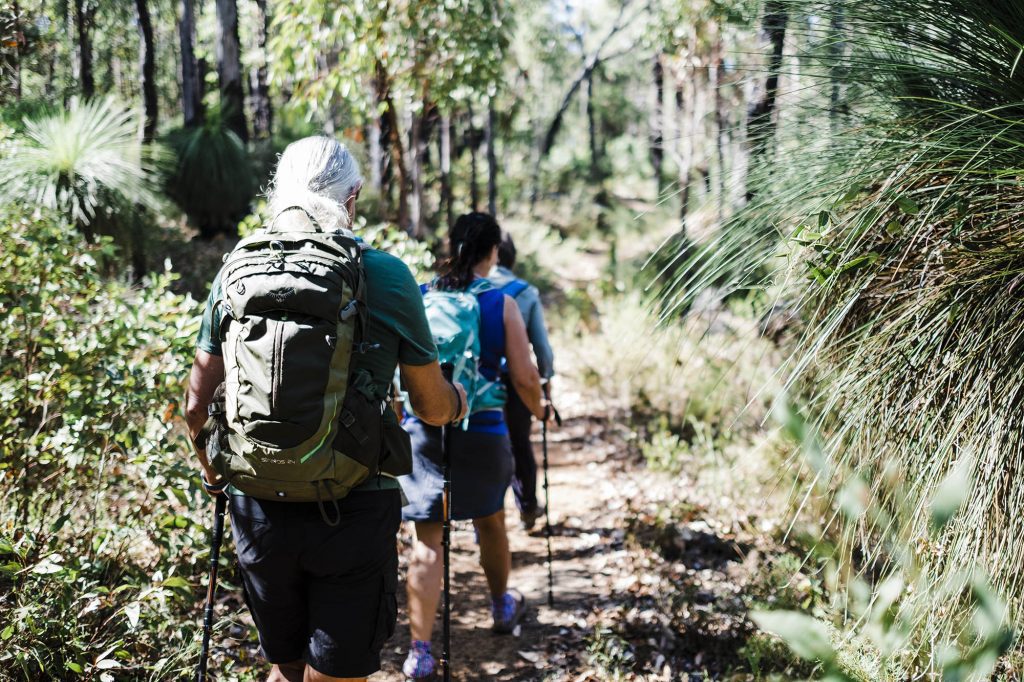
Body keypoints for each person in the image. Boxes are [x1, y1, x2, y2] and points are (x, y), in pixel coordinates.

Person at [185, 135, 467, 682]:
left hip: (258, 504)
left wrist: (215, 477)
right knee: (338, 675)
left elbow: (196, 405)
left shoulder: (235, 272)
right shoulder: (385, 275)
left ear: (278, 193)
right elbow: (431, 407)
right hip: (354, 503)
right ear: (353, 196)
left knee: (284, 666)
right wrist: (454, 403)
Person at [398, 212, 546, 680]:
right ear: (494, 252)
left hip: (423, 428)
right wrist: (540, 410)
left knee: (427, 539)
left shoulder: (420, 297)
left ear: (452, 245)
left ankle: (420, 652)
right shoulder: (501, 302)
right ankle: (501, 607)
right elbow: (524, 376)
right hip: (482, 427)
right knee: (491, 521)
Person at [488, 232, 555, 530]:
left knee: (487, 444)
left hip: (481, 380)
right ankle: (527, 508)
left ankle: (486, 516)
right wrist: (545, 382)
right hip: (517, 382)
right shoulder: (525, 292)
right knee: (520, 443)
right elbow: (541, 347)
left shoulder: (473, 287)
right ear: (512, 258)